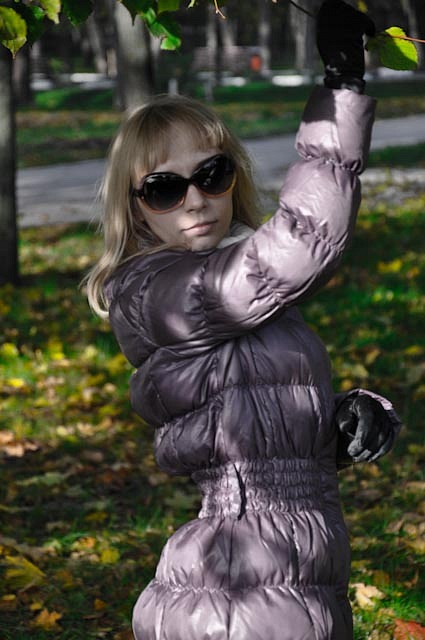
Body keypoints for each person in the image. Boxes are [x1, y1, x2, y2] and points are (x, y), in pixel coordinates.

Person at [85, 1, 401, 638]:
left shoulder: (248, 294)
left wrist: (347, 417)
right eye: (164, 188)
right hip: (241, 575)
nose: (195, 200)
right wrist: (341, 88)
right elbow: (302, 243)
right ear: (137, 209)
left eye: (211, 174)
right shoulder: (159, 294)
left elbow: (262, 420)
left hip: (297, 549)